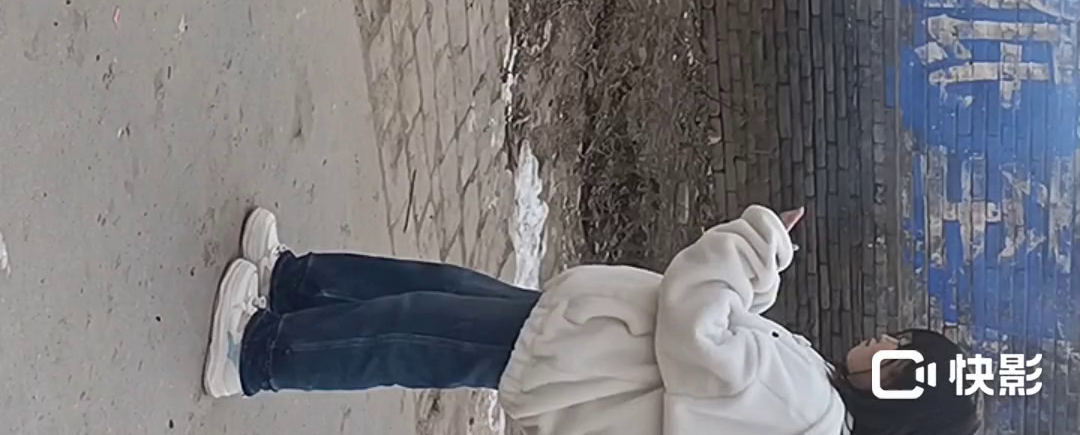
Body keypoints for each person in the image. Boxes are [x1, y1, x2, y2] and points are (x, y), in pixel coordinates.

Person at [202, 199, 978, 435]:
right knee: (431, 291)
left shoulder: (808, 407)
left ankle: (258, 355)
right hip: (576, 340)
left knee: (409, 335)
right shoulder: (820, 393)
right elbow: (726, 350)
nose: (884, 338)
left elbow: (697, 335)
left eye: (901, 351)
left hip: (576, 362)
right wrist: (761, 276)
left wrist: (754, 245)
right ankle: (294, 283)